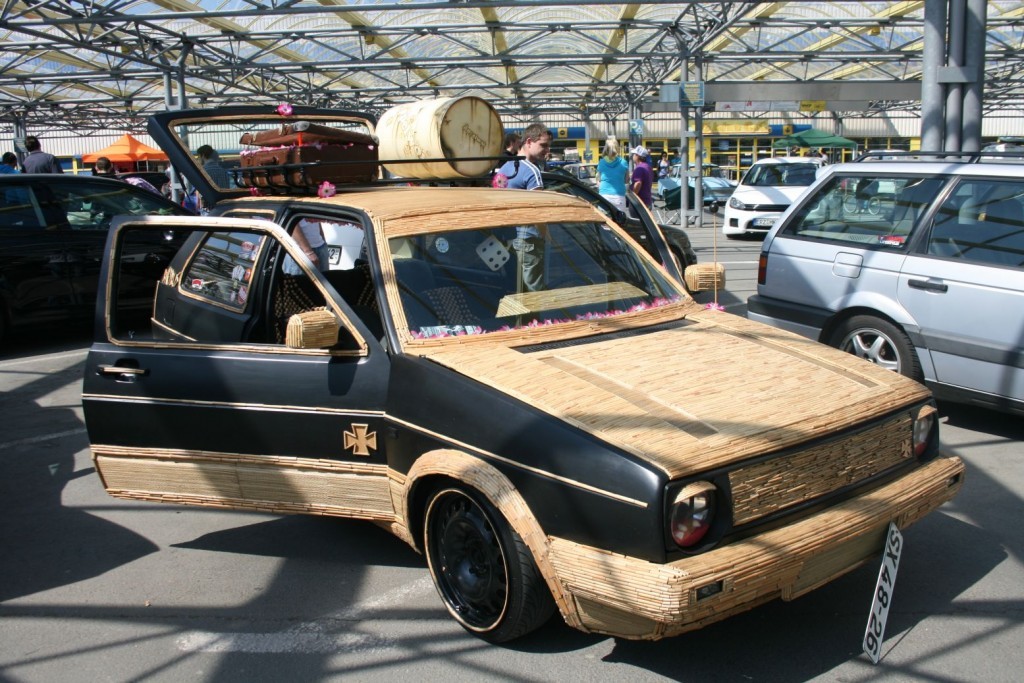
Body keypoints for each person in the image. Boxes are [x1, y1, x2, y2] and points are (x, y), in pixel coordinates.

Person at [495, 122, 552, 291]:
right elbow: (538, 210)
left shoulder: (504, 169)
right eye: (543, 145)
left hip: (508, 238)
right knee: (534, 290)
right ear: (528, 142)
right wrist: (546, 235)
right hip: (529, 239)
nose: (547, 150)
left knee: (517, 289)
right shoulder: (532, 171)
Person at [596, 138, 629, 211]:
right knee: (619, 218)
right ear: (617, 148)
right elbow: (627, 180)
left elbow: (598, 180)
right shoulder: (623, 162)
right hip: (619, 196)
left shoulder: (601, 162)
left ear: (606, 149)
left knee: (604, 218)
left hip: (604, 196)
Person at [630, 145, 654, 210]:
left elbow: (638, 183)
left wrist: (632, 197)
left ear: (638, 156)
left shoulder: (639, 168)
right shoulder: (647, 167)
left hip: (640, 203)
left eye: (634, 154)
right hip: (647, 201)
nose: (633, 156)